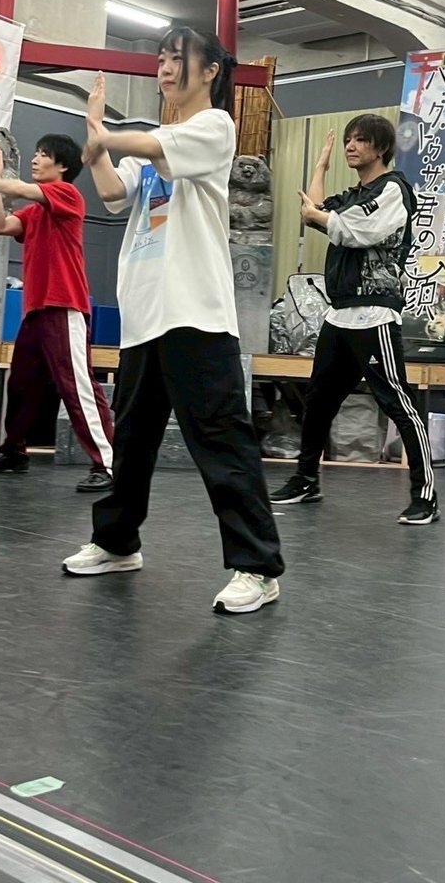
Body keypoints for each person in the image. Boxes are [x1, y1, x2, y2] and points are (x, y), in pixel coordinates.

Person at [61, 35, 284, 614]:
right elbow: (113, 193)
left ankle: (258, 568)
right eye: (159, 60)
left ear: (209, 71)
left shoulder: (215, 127)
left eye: (175, 59)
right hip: (145, 315)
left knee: (221, 441)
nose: (163, 69)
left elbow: (151, 145)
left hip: (196, 314)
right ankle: (116, 543)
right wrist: (97, 143)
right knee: (132, 442)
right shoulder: (150, 144)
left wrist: (105, 134)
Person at [269, 115, 439, 524]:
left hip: (375, 312)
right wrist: (321, 166)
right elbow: (314, 213)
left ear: (380, 148)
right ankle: (306, 479)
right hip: (340, 313)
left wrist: (321, 216)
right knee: (318, 400)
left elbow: (358, 231)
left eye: (361, 140)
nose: (351, 146)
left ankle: (425, 495)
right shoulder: (354, 195)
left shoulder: (393, 189)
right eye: (348, 139)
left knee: (397, 401)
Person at [0, 134, 114, 492]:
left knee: (76, 385)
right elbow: (0, 225)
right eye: (35, 153)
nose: (35, 159)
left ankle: (108, 462)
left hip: (64, 306)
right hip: (36, 310)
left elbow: (23, 189)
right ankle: (13, 451)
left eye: (43, 155)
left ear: (62, 166)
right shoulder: (35, 211)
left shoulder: (67, 194)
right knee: (21, 384)